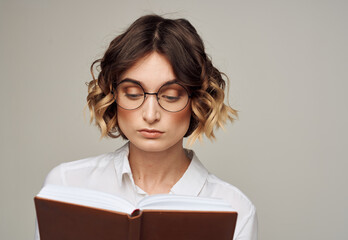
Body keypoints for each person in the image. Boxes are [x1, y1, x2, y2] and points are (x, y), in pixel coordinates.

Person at [35, 14, 257, 240]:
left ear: (196, 101)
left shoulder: (234, 208)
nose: (150, 115)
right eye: (133, 94)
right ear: (113, 95)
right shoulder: (66, 185)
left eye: (170, 96)